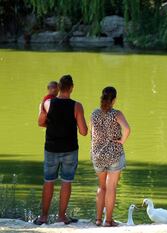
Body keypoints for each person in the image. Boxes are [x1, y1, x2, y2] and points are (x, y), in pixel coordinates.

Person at [35, 75, 88, 225]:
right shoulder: (77, 106)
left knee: (48, 181)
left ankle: (43, 217)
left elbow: (40, 122)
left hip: (51, 148)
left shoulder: (48, 103)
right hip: (70, 149)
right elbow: (83, 132)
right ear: (71, 88)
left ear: (58, 87)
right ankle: (61, 217)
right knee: (66, 182)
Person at [90, 86, 130, 227]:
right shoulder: (116, 114)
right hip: (114, 153)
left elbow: (93, 134)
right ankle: (108, 221)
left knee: (101, 187)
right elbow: (127, 129)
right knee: (111, 187)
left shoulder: (94, 114)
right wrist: (122, 141)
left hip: (98, 155)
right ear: (113, 100)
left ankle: (98, 219)